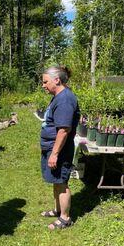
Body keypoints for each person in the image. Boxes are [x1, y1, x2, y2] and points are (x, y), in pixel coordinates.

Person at [40, 66, 80, 230]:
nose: (43, 85)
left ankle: (65, 218)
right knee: (56, 180)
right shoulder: (59, 96)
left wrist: (54, 154)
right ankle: (58, 210)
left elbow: (63, 130)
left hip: (59, 150)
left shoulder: (64, 99)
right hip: (52, 147)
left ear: (57, 80)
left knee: (61, 182)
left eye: (45, 82)